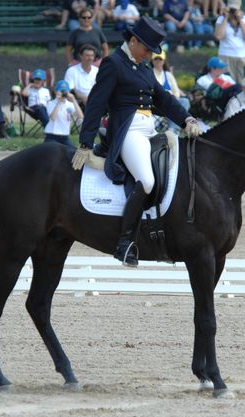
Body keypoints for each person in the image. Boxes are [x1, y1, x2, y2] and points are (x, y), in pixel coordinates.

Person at [73, 16, 202, 267]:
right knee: (147, 180)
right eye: (146, 49)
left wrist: (187, 119)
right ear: (133, 41)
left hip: (150, 130)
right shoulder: (113, 63)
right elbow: (97, 103)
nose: (148, 55)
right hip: (128, 131)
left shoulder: (143, 68)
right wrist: (85, 142)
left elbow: (163, 98)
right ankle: (125, 243)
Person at [151, 49, 191, 131]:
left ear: (164, 61)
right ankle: (172, 129)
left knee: (185, 101)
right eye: (156, 59)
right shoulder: (149, 73)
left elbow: (176, 91)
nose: (158, 61)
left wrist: (172, 96)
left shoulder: (168, 75)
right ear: (152, 60)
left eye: (160, 59)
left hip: (169, 102)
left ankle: (172, 129)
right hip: (156, 104)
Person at [214, 0, 245, 82]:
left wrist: (240, 19)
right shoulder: (221, 19)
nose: (233, 11)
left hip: (242, 56)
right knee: (227, 83)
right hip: (225, 55)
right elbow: (219, 36)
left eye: (235, 9)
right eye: (231, 8)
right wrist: (225, 18)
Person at [43, 80, 84, 148]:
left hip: (64, 137)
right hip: (51, 136)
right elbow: (53, 118)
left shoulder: (70, 104)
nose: (63, 93)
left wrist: (74, 100)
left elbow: (81, 116)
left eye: (65, 91)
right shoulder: (51, 103)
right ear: (55, 91)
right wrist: (59, 102)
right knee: (51, 153)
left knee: (72, 154)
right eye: (61, 91)